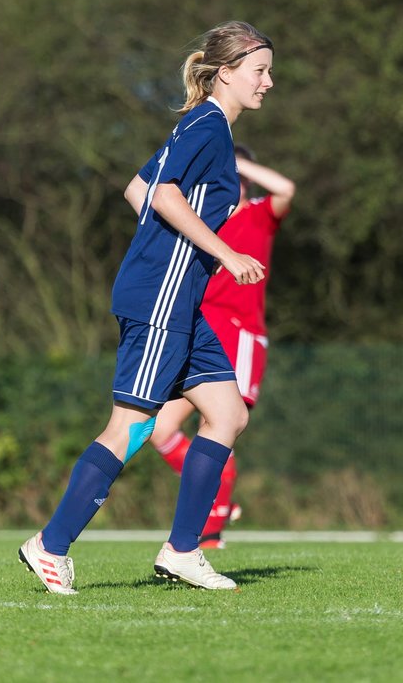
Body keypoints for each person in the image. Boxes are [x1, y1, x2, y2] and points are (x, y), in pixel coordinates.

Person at [19, 21, 274, 593]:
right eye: (259, 71)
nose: (268, 81)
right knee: (130, 427)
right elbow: (161, 196)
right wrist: (222, 253)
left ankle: (183, 551)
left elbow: (139, 188)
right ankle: (49, 545)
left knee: (228, 413)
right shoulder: (207, 124)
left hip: (178, 298)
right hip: (161, 297)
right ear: (226, 74)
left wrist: (173, 248)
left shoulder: (208, 129)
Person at [149, 146, 294, 548]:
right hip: (200, 334)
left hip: (240, 335)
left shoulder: (259, 215)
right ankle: (215, 496)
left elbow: (286, 188)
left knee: (218, 426)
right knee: (159, 428)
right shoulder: (205, 223)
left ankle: (209, 532)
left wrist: (236, 161)